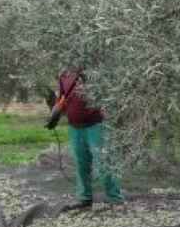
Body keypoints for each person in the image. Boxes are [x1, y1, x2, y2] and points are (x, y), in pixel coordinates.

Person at [46, 68, 123, 208]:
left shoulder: (92, 70)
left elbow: (108, 93)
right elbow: (63, 98)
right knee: (81, 163)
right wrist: (54, 115)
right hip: (74, 127)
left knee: (103, 162)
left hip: (96, 124)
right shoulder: (64, 74)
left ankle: (115, 199)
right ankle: (84, 198)